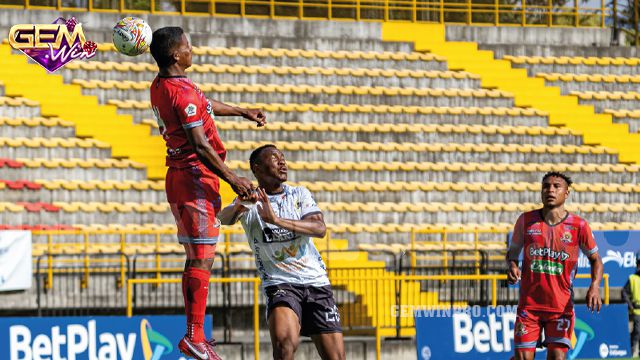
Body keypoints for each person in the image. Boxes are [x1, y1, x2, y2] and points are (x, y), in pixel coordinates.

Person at [149, 26, 266, 360]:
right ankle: (193, 337)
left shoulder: (163, 85)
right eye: (188, 46)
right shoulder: (181, 93)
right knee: (202, 257)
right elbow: (200, 144)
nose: (192, 49)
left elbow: (202, 105)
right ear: (176, 55)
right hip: (195, 179)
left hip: (185, 177)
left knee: (198, 256)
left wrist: (242, 111)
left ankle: (194, 335)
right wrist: (232, 177)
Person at [217, 144, 346, 360]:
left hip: (316, 283)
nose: (282, 162)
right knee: (285, 345)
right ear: (257, 168)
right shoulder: (251, 201)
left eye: (283, 157)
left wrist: (276, 220)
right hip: (280, 284)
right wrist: (241, 205)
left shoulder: (299, 193)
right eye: (275, 158)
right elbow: (224, 218)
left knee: (337, 357)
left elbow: (319, 228)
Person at [506, 172, 603, 360]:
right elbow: (512, 253)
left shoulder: (579, 226)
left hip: (560, 308)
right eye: (546, 186)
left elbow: (596, 260)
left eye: (556, 186)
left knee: (557, 357)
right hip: (529, 307)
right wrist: (512, 265)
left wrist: (595, 286)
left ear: (566, 193)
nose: (550, 190)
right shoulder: (526, 221)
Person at [622, 252, 640, 357]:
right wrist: (630, 305)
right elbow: (624, 292)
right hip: (636, 310)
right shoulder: (632, 278)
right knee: (638, 331)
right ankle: (633, 350)